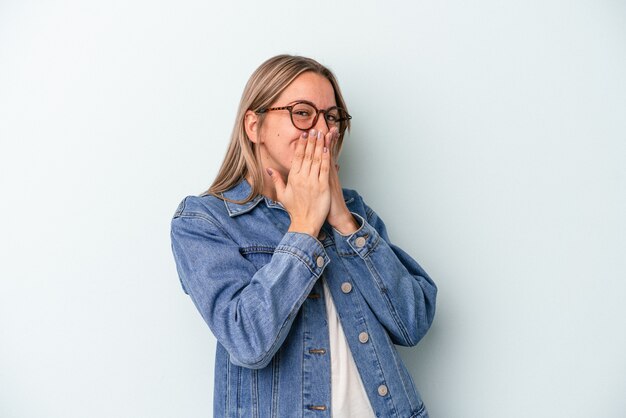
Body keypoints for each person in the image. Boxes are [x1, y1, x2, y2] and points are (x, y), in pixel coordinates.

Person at [170, 54, 437, 418]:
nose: (322, 130)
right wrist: (304, 226)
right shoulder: (204, 221)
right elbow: (248, 340)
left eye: (331, 117)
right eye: (302, 113)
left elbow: (412, 322)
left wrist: (342, 219)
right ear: (254, 125)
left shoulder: (353, 209)